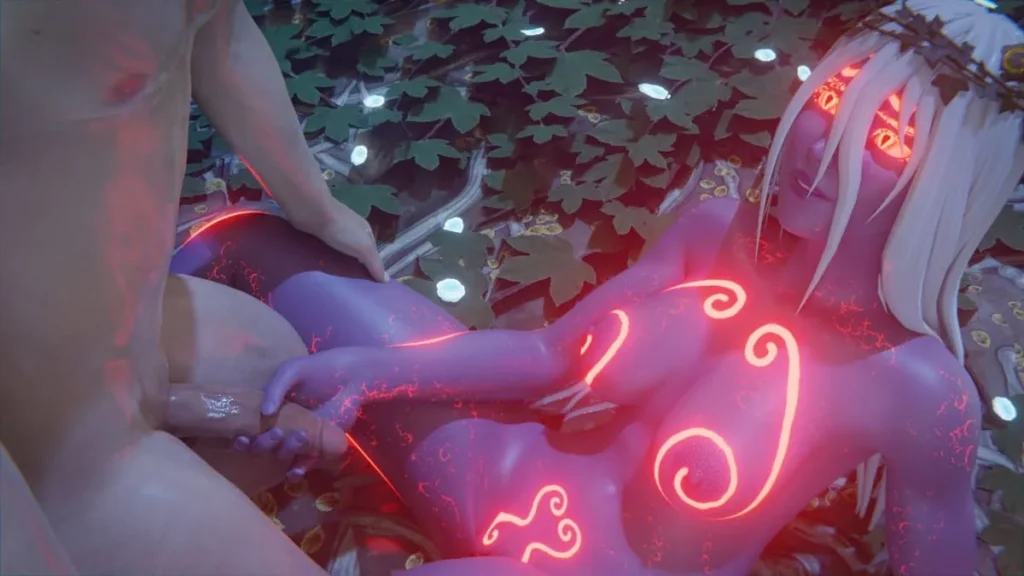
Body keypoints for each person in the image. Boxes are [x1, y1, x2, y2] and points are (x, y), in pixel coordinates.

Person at [220, 1, 1021, 574]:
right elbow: (548, 355)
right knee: (244, 244)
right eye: (836, 98)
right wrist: (372, 372)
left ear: (950, 187)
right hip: (497, 468)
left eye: (888, 137)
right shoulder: (717, 232)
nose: (826, 147)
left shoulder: (919, 390)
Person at [0, 0, 384, 573]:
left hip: (129, 345)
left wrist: (316, 207)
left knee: (276, 369)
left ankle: (141, 417)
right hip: (67, 445)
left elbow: (220, 31)